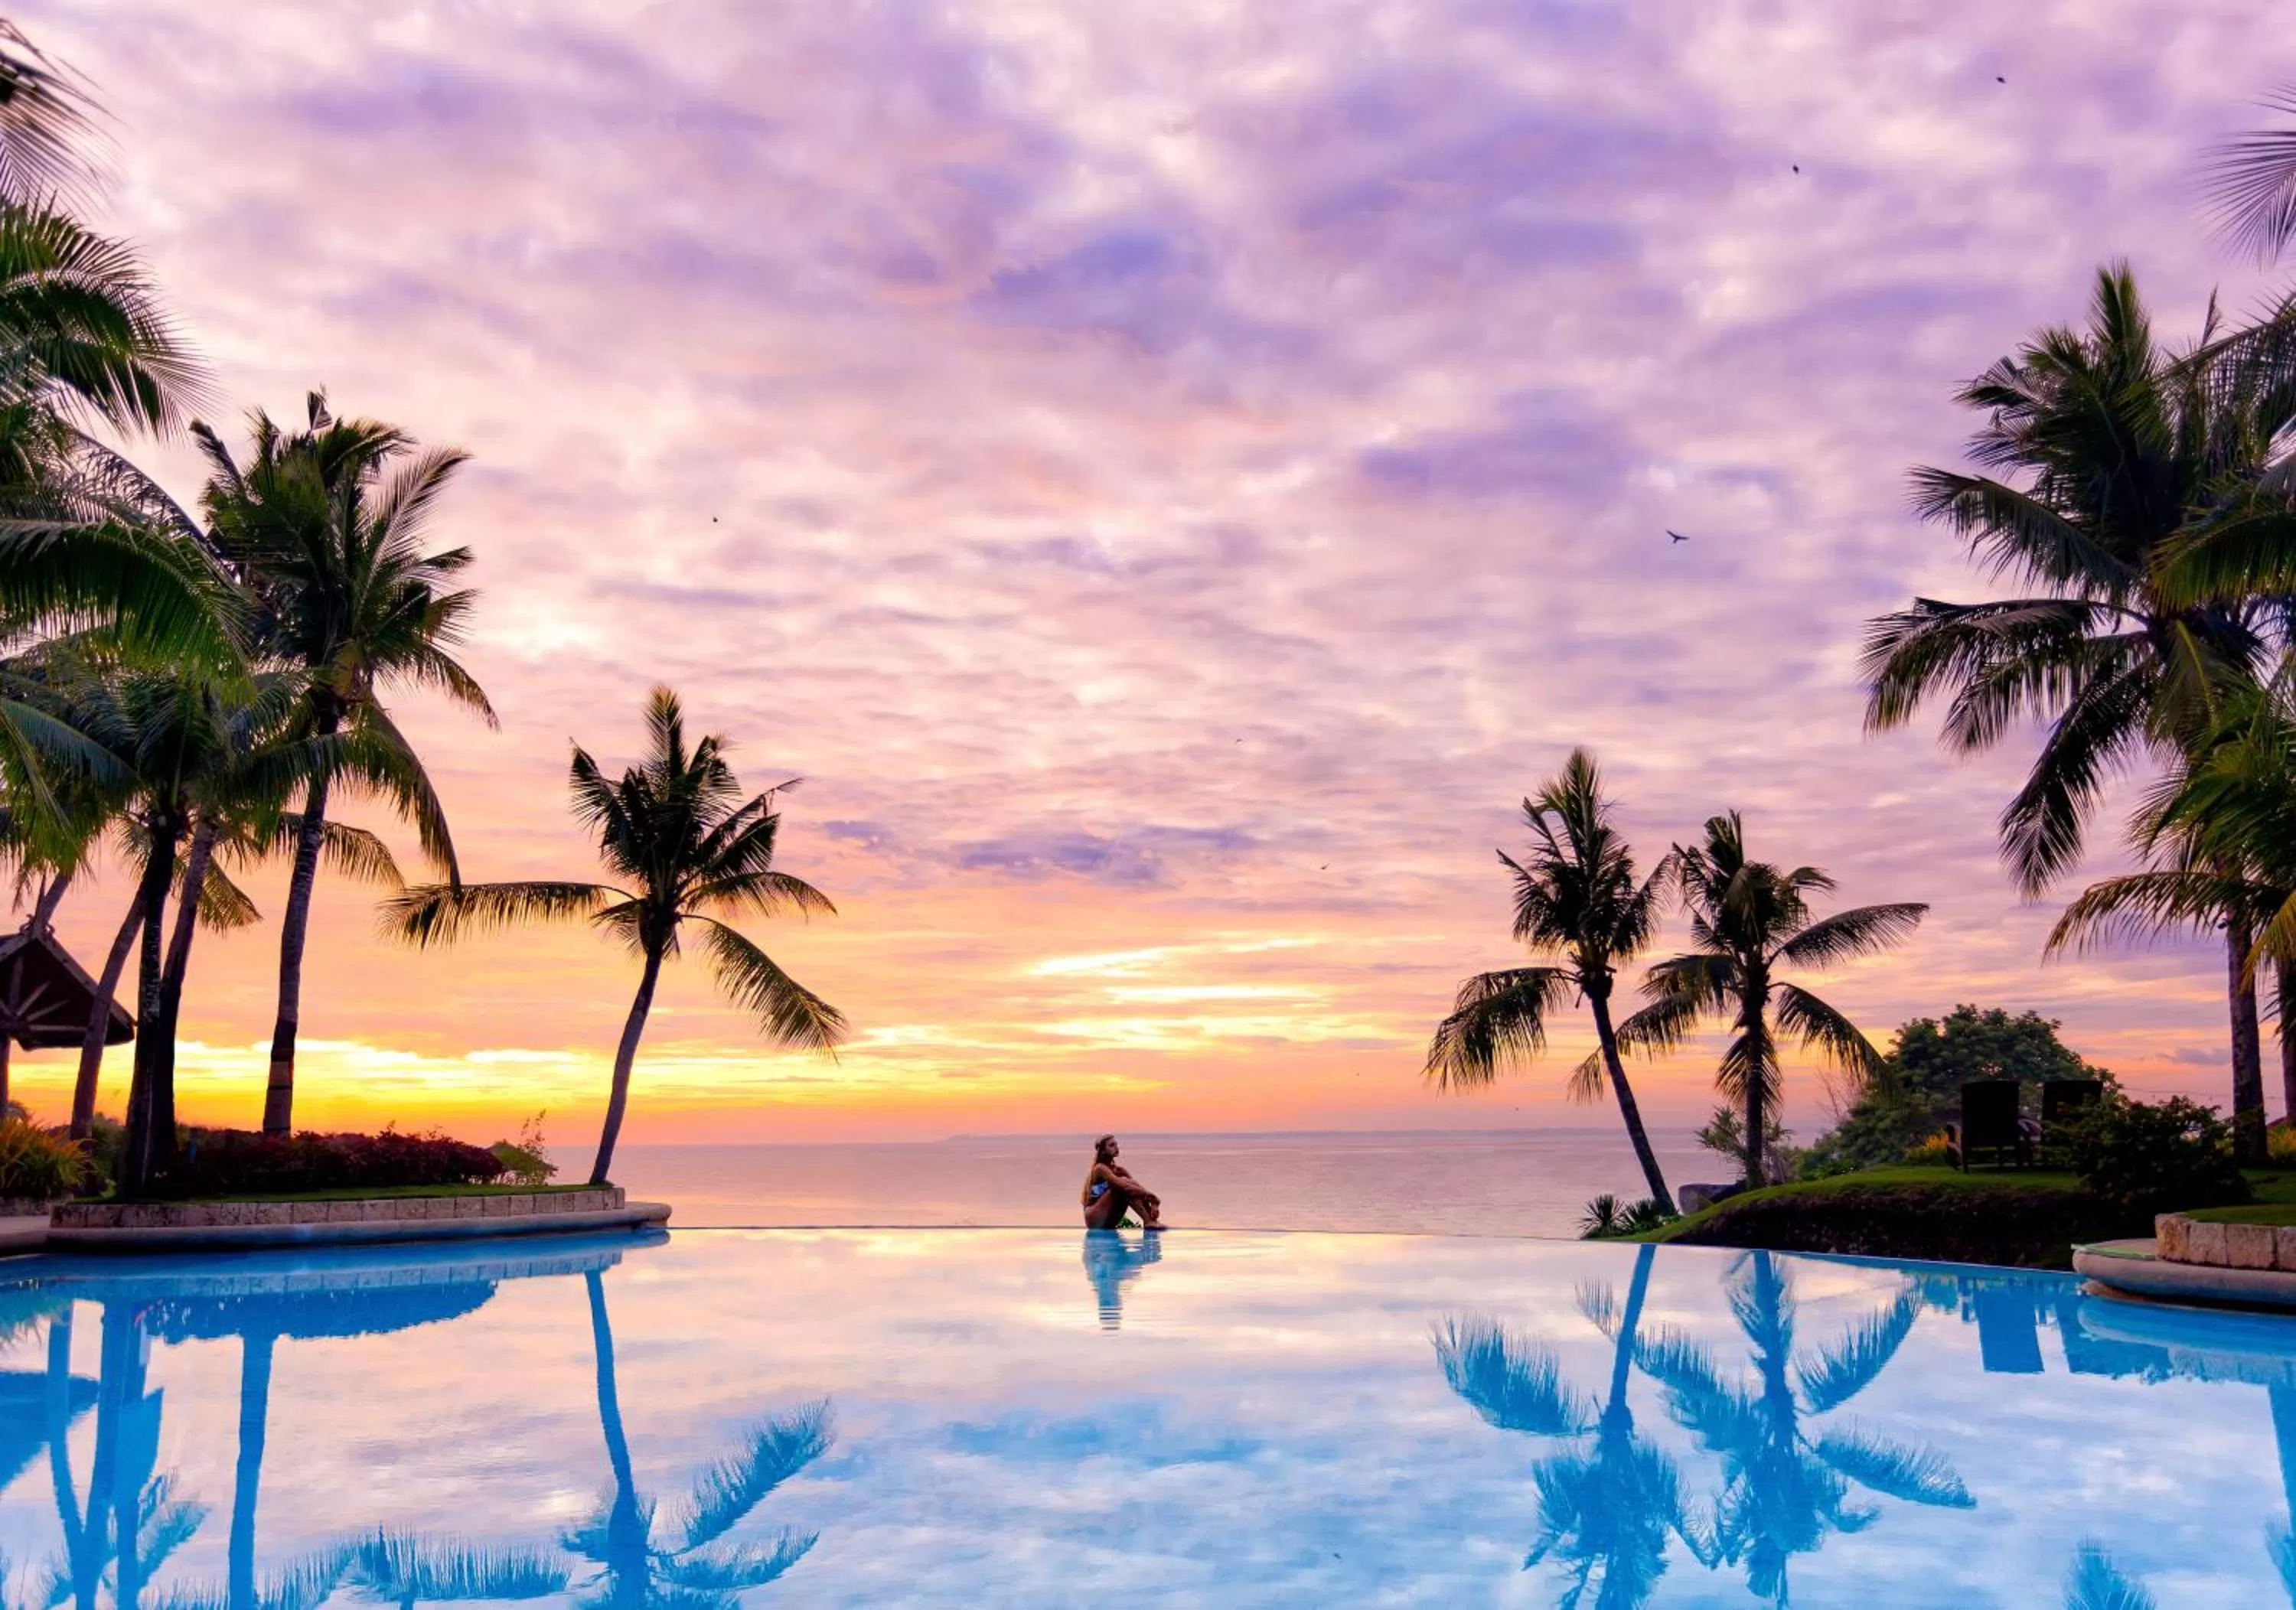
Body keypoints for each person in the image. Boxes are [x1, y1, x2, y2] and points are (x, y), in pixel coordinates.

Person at [1081, 1134, 1164, 1229]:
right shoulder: (1099, 1168)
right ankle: (1148, 1221)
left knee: (1131, 1186)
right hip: (1093, 1218)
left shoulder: (1120, 1170)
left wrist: (1154, 1204)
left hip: (1108, 1219)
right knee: (1123, 1185)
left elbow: (1138, 1190)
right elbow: (1124, 1187)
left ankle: (1151, 1220)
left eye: (1116, 1145)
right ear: (1103, 1151)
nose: (1116, 1148)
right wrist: (1154, 1197)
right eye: (1112, 1145)